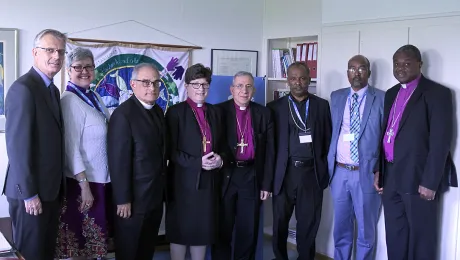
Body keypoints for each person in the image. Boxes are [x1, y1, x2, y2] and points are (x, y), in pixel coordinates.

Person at [375, 44, 457, 260]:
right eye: (396, 63)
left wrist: (430, 182)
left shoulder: (437, 93)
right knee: (395, 234)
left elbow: (440, 141)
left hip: (418, 178)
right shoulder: (391, 93)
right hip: (391, 176)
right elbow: (385, 134)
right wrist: (378, 171)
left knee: (422, 238)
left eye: (406, 63)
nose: (400, 68)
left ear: (419, 65)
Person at [2, 28, 66, 260]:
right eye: (49, 50)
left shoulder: (52, 90)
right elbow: (18, 148)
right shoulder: (23, 89)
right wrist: (29, 194)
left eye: (60, 51)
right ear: (35, 53)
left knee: (46, 252)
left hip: (49, 191)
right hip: (30, 193)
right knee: (32, 254)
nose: (56, 56)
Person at [267, 61, 332, 260]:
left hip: (311, 174)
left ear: (309, 80)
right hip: (284, 174)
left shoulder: (321, 105)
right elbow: (270, 147)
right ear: (287, 80)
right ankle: (280, 257)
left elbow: (328, 139)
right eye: (293, 78)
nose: (298, 82)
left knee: (308, 223)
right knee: (280, 222)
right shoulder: (274, 107)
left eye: (302, 78)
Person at [55, 47, 113, 259]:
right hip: (82, 184)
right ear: (69, 70)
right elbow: (70, 148)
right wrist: (84, 185)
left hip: (100, 181)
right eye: (78, 67)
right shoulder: (69, 101)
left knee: (93, 245)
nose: (84, 71)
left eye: (88, 66)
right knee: (79, 245)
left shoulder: (94, 95)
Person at [165, 63, 226, 260]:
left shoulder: (216, 112)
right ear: (187, 86)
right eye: (196, 84)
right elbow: (170, 152)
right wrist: (196, 162)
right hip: (182, 183)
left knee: (202, 231)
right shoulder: (175, 113)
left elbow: (224, 145)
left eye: (205, 84)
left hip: (208, 183)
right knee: (181, 233)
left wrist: (220, 160)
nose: (201, 89)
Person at [212, 71, 275, 260]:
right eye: (239, 86)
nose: (244, 90)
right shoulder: (218, 111)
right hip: (226, 175)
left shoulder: (263, 113)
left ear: (254, 90)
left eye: (248, 86)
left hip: (252, 175)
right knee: (222, 228)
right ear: (232, 89)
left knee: (248, 230)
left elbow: (271, 151)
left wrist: (266, 184)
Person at [107, 63, 167, 260]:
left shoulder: (158, 111)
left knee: (146, 250)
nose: (152, 87)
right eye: (146, 82)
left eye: (156, 82)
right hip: (133, 202)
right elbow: (118, 161)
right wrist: (123, 199)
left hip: (154, 198)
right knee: (129, 251)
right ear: (132, 84)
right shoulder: (123, 115)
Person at [327, 55, 384, 260]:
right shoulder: (336, 97)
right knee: (341, 228)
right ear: (347, 72)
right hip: (340, 172)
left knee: (366, 231)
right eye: (352, 69)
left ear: (369, 72)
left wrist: (381, 170)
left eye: (361, 69)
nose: (356, 73)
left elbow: (385, 138)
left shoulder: (382, 98)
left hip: (366, 174)